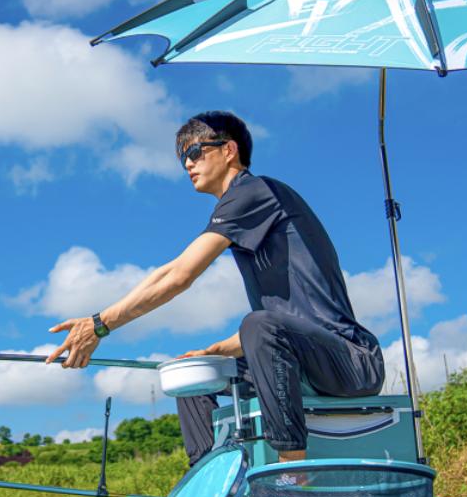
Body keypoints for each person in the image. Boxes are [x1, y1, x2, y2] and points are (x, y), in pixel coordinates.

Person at [46, 111, 384, 465]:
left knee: (258, 323)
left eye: (195, 152)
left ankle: (290, 475)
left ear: (229, 150)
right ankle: (208, 483)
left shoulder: (254, 190)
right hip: (304, 359)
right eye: (183, 158)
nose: (187, 164)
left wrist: (100, 324)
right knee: (194, 375)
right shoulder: (241, 209)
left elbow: (180, 275)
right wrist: (215, 351)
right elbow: (278, 327)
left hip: (352, 362)